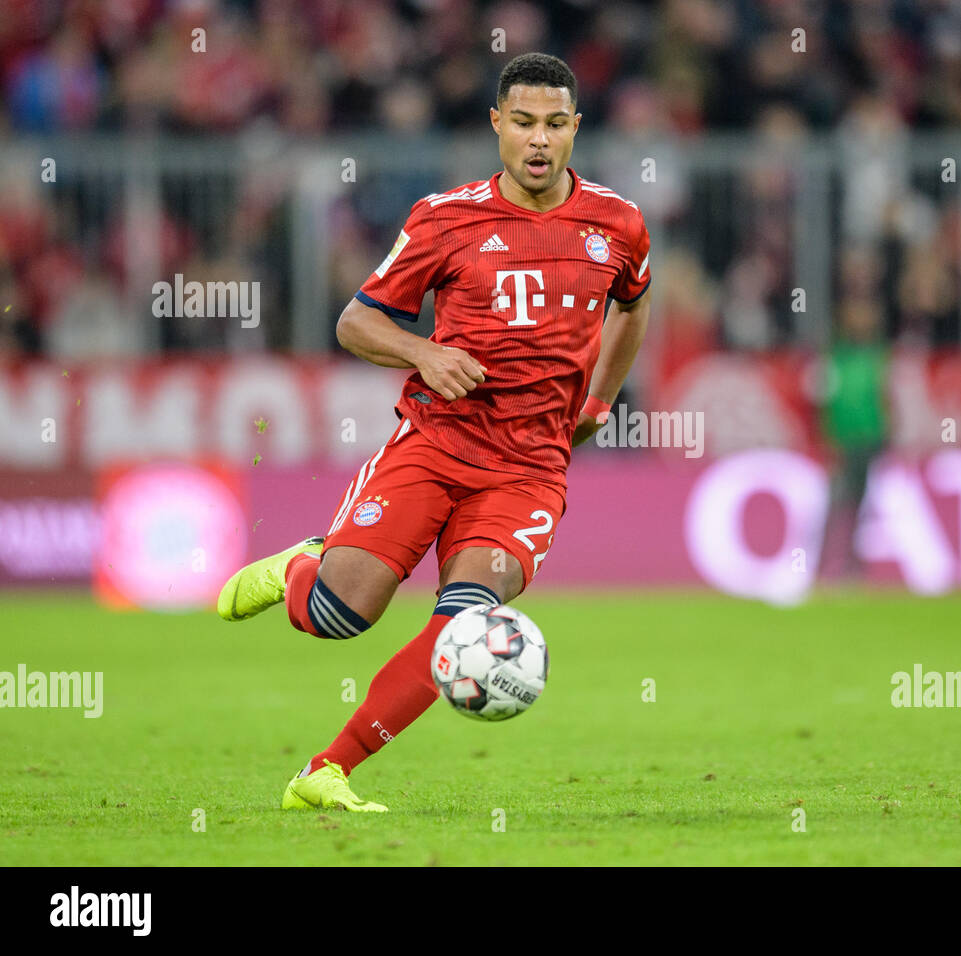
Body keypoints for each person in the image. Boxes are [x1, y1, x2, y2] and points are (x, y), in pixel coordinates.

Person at [214, 53, 652, 812]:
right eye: (522, 123)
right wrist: (425, 352)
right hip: (435, 443)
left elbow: (635, 304)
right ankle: (301, 569)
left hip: (528, 471)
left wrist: (602, 401)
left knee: (465, 628)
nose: (539, 140)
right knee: (337, 616)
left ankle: (326, 770)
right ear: (496, 125)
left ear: (577, 128)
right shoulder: (447, 219)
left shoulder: (617, 224)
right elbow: (356, 322)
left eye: (554, 124)